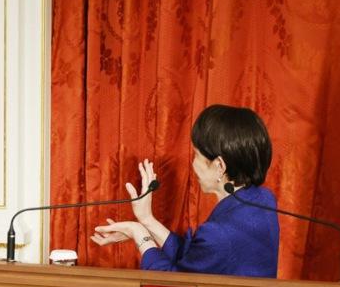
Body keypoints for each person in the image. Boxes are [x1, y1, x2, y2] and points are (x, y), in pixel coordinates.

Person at [92, 104, 279, 277]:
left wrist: (138, 233)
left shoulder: (218, 234)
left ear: (219, 166)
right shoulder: (263, 199)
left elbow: (175, 283)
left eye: (196, 155)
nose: (193, 164)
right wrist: (147, 219)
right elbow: (198, 259)